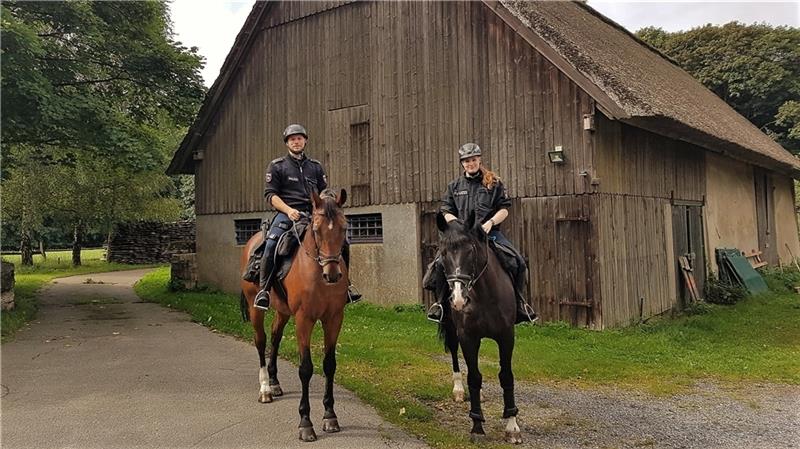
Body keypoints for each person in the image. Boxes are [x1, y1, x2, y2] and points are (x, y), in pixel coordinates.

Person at [426, 142, 536, 324]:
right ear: (462, 163)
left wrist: (490, 223)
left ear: (479, 160)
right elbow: (446, 211)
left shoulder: (493, 183)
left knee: (518, 263)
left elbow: (504, 209)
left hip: (489, 234)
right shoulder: (454, 186)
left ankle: (519, 305)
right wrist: (458, 226)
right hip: (462, 238)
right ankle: (440, 306)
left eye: (473, 159)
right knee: (438, 266)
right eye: (466, 161)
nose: (470, 163)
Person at [254, 123, 361, 310]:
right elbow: (271, 195)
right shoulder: (277, 166)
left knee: (343, 243)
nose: (296, 142)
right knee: (271, 243)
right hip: (287, 214)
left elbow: (323, 192)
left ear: (305, 141)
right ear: (287, 143)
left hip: (313, 214)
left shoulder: (315, 167)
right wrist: (288, 210)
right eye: (292, 139)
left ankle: (347, 287)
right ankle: (264, 290)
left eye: (299, 138)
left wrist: (327, 205)